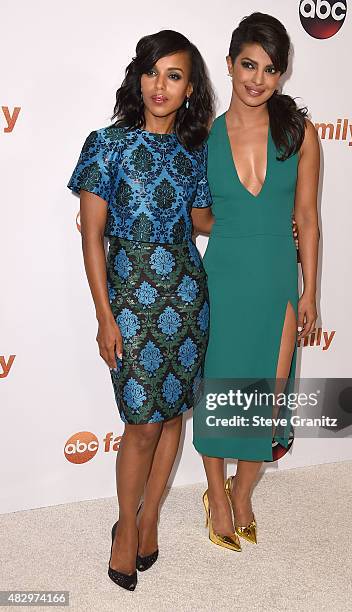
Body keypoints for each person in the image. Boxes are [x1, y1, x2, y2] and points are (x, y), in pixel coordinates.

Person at [67, 30, 214, 589]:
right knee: (141, 423)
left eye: (174, 76)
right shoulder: (105, 145)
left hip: (186, 293)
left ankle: (151, 517)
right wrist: (105, 316)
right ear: (138, 77)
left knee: (172, 415)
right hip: (130, 296)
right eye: (152, 72)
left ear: (189, 87)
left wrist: (265, 226)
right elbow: (91, 236)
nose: (161, 85)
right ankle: (124, 527)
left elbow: (201, 221)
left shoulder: (194, 152)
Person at [191, 13, 320, 551]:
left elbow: (308, 217)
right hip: (222, 276)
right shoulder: (201, 138)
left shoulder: (300, 133)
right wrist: (241, 227)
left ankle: (242, 492)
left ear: (281, 75)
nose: (257, 79)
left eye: (270, 69)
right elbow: (198, 218)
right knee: (219, 387)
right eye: (248, 65)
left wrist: (310, 289)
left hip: (275, 278)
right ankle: (216, 496)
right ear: (229, 65)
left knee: (266, 395)